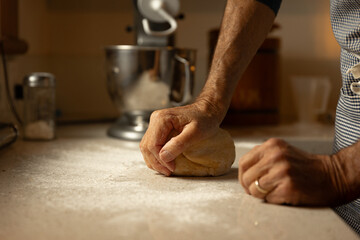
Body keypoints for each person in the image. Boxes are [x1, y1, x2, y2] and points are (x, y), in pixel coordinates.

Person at [139, 0, 360, 234]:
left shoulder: (337, 175)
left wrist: (340, 172)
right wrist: (210, 103)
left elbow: (339, 175)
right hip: (341, 207)